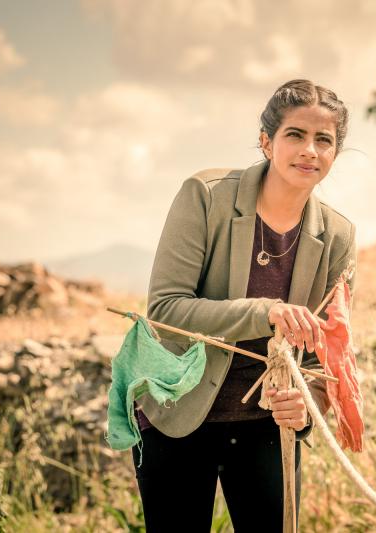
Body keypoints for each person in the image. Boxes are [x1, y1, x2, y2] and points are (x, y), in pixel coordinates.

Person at [131, 79, 356, 532]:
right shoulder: (205, 196)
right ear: (267, 142)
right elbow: (166, 312)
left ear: (335, 154)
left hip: (267, 427)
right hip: (178, 414)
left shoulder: (338, 236)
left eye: (324, 140)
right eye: (295, 135)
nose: (309, 149)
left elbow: (327, 351)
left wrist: (306, 406)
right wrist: (264, 310)